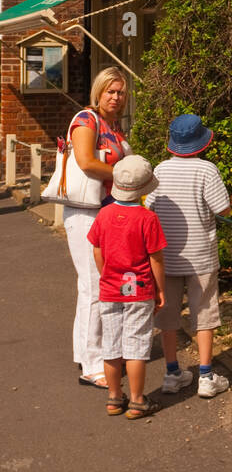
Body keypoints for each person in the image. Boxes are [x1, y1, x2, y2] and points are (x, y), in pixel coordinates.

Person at [145, 114, 231, 398]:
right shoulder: (207, 171)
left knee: (167, 315)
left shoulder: (160, 170)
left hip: (166, 257)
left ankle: (172, 373)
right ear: (201, 143)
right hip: (201, 258)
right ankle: (205, 376)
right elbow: (223, 209)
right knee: (204, 312)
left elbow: (151, 209)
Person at [64, 67, 130, 389]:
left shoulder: (113, 126)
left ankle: (86, 352)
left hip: (102, 213)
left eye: (120, 92)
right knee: (94, 287)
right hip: (83, 213)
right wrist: (125, 176)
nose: (116, 97)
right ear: (99, 91)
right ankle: (92, 365)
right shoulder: (86, 120)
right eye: (111, 91)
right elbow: (86, 162)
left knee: (89, 286)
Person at [87, 155, 167, 420]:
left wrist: (105, 273)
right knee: (136, 347)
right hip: (139, 290)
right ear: (144, 189)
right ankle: (136, 400)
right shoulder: (148, 218)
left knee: (111, 347)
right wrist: (160, 289)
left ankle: (113, 397)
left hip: (110, 289)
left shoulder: (104, 214)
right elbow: (156, 258)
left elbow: (97, 250)